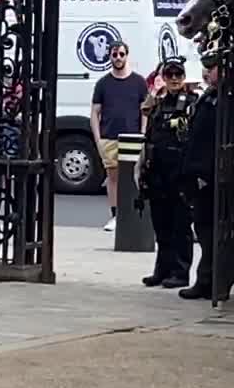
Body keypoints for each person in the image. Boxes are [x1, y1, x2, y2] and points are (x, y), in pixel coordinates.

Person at [137, 56, 197, 290]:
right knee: (161, 224)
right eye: (169, 74)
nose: (173, 79)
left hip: (179, 172)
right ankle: (162, 269)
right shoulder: (158, 104)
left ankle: (180, 272)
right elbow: (146, 123)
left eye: (178, 75)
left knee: (180, 226)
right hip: (158, 172)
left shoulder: (192, 102)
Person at [91, 40, 148, 232]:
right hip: (109, 137)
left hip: (133, 137)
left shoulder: (139, 82)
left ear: (127, 55)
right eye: (114, 55)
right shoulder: (103, 83)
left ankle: (133, 214)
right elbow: (94, 113)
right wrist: (98, 139)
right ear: (110, 57)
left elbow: (144, 111)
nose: (118, 58)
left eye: (121, 54)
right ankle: (115, 216)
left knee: (135, 177)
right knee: (112, 177)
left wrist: (143, 134)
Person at [178, 51, 221, 301]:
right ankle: (206, 278)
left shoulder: (229, 99)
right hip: (199, 174)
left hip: (215, 175)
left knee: (212, 229)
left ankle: (210, 279)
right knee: (203, 228)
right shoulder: (208, 98)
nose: (206, 72)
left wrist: (205, 172)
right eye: (205, 67)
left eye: (212, 67)